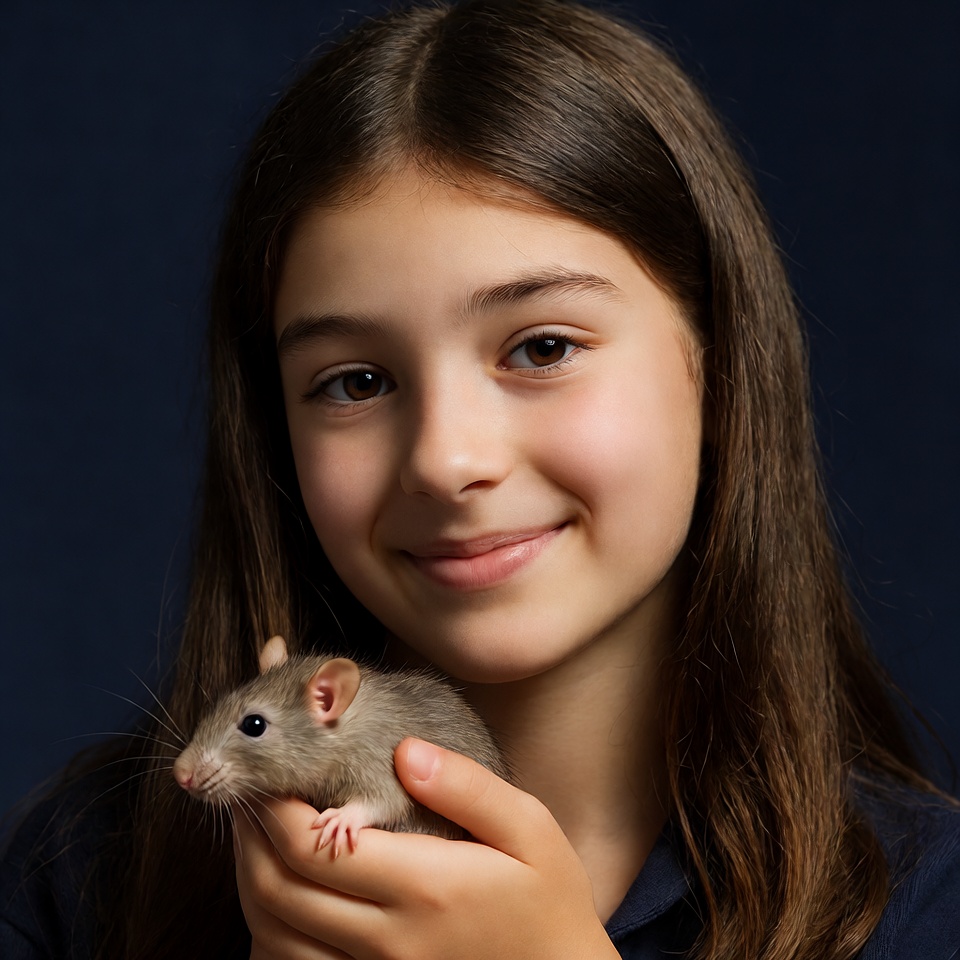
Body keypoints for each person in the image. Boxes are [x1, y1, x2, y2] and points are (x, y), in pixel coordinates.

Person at [2, 1, 958, 957]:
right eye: (357, 382)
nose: (447, 461)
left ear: (721, 360)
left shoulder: (925, 907)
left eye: (542, 347)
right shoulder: (81, 876)